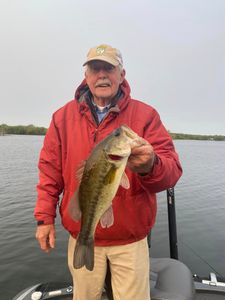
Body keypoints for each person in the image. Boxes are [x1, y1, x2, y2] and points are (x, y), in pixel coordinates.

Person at [34, 44, 182, 300]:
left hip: (130, 240)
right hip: (82, 232)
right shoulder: (61, 118)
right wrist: (44, 218)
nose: (102, 74)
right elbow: (49, 172)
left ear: (122, 75)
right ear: (86, 76)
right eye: (95, 68)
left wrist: (151, 165)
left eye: (109, 68)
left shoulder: (146, 115)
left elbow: (172, 172)